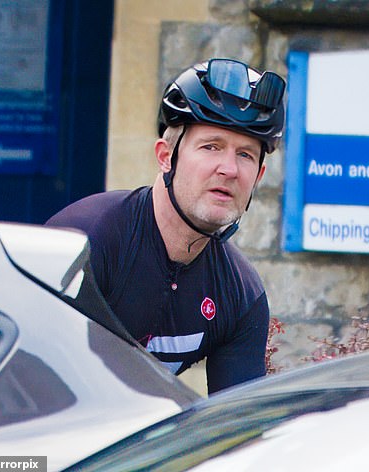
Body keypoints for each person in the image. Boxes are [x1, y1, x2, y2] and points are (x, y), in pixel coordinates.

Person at [46, 58, 286, 394]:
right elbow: (25, 387)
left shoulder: (241, 294)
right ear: (165, 156)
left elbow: (235, 432)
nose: (229, 169)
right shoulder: (86, 242)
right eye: (211, 146)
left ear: (259, 176)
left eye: (245, 154)